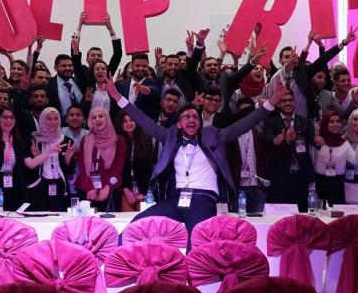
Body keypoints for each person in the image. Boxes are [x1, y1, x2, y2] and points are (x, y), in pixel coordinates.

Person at [103, 80, 283, 244]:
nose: (191, 119)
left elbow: (244, 124)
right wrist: (117, 96)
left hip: (203, 199)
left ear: (200, 122)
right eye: (186, 117)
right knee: (138, 224)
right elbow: (142, 120)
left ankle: (193, 269)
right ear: (178, 124)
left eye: (195, 117)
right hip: (176, 199)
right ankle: (113, 259)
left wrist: (272, 102)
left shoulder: (214, 135)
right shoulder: (170, 136)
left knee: (196, 241)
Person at [263, 90, 315, 212]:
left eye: (290, 100)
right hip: (279, 176)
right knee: (280, 213)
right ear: (278, 104)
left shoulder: (304, 122)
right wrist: (280, 141)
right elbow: (268, 141)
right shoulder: (271, 122)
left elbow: (313, 139)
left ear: (295, 102)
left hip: (301, 177)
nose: (288, 103)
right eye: (284, 101)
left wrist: (318, 141)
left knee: (301, 213)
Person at [75, 107, 126, 212]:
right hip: (87, 189)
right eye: (94, 118)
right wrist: (89, 188)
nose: (97, 119)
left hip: (110, 189)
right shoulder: (86, 139)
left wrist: (108, 187)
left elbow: (118, 168)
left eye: (101, 116)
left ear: (107, 118)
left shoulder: (119, 140)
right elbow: (82, 166)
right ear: (90, 121)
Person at [25, 107, 76, 212]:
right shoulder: (34, 141)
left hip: (60, 186)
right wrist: (38, 156)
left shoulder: (67, 141)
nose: (53, 122)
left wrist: (67, 158)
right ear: (43, 120)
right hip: (39, 187)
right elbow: (28, 169)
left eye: (56, 119)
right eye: (49, 119)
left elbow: (69, 172)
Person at [312, 111, 357, 206]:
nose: (335, 124)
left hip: (337, 185)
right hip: (319, 183)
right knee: (319, 212)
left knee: (337, 213)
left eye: (338, 121)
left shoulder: (344, 144)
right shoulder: (318, 141)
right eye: (331, 121)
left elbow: (356, 161)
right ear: (325, 123)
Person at [115, 111, 155, 211]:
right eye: (125, 121)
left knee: (142, 218)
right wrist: (125, 190)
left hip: (144, 190)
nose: (128, 123)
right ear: (121, 124)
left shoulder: (147, 139)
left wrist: (144, 193)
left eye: (131, 120)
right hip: (126, 188)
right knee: (127, 218)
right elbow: (118, 170)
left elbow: (149, 169)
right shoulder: (118, 141)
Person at [116, 53, 161, 121]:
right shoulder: (121, 85)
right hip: (126, 125)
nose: (141, 68)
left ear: (148, 67)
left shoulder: (154, 83)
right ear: (132, 66)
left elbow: (156, 92)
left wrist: (149, 91)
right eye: (137, 66)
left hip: (146, 126)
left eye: (144, 66)